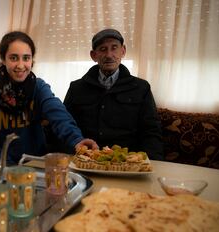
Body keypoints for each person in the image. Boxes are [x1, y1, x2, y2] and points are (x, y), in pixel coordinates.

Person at [0, 31, 98, 165]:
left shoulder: (39, 87)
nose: (20, 65)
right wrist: (7, 169)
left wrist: (77, 141)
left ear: (32, 60)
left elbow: (58, 114)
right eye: (13, 58)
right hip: (3, 168)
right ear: (3, 59)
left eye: (26, 58)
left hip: (36, 164)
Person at [64, 28, 163, 160]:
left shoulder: (141, 88)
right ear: (94, 55)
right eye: (103, 49)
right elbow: (65, 125)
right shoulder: (77, 88)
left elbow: (151, 131)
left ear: (123, 51)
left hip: (127, 164)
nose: (109, 55)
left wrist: (151, 165)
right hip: (85, 161)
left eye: (114, 48)